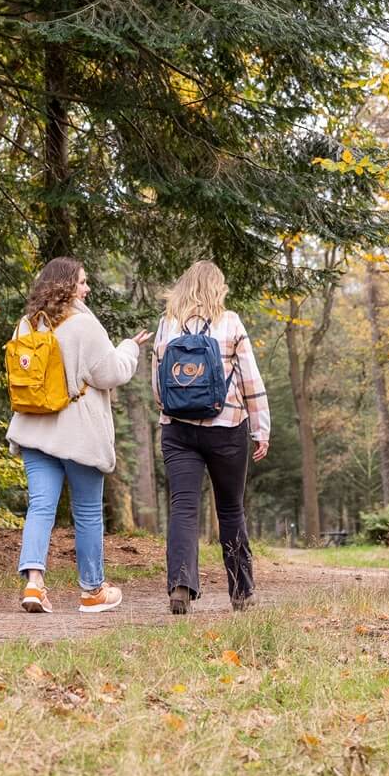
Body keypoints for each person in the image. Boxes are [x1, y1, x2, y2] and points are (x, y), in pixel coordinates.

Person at [5, 256, 149, 615]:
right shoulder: (83, 326)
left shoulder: (27, 325)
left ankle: (34, 584)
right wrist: (130, 347)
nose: (87, 288)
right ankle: (92, 591)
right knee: (86, 512)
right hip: (77, 433)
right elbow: (110, 373)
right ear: (68, 286)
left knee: (40, 506)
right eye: (83, 282)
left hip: (34, 428)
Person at [154, 259, 270, 614]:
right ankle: (241, 593)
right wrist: (261, 427)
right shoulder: (229, 321)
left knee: (184, 508)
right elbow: (250, 377)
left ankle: (181, 585)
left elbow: (158, 381)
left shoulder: (167, 324)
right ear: (217, 288)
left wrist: (168, 410)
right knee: (231, 508)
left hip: (177, 429)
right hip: (227, 427)